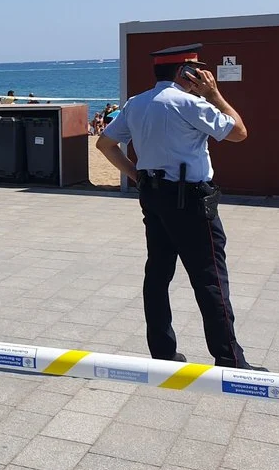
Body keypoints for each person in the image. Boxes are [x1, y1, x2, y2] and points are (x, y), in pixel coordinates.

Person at [97, 43, 262, 370]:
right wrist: (215, 96)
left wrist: (135, 174)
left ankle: (162, 350)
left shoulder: (136, 104)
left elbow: (105, 143)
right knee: (211, 279)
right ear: (184, 73)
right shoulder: (189, 104)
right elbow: (239, 132)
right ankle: (230, 361)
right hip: (190, 201)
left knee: (157, 274)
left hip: (154, 197)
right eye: (196, 70)